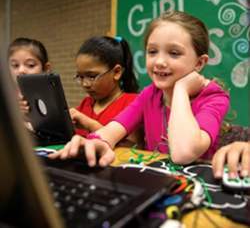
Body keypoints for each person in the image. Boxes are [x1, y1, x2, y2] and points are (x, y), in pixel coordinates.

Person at [49, 10, 230, 167]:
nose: (159, 62)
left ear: (200, 63)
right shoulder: (149, 94)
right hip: (157, 182)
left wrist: (181, 89)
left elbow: (183, 153)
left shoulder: (214, 96)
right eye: (152, 51)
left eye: (174, 53)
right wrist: (97, 142)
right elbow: (113, 129)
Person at [69, 36, 139, 137]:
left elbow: (133, 146)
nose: (85, 84)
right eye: (80, 77)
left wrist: (90, 124)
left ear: (116, 72)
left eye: (92, 76)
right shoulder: (86, 103)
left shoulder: (132, 103)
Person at [8, 37, 51, 114]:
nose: (21, 70)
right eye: (15, 65)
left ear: (46, 69)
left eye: (30, 65)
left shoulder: (52, 99)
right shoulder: (6, 99)